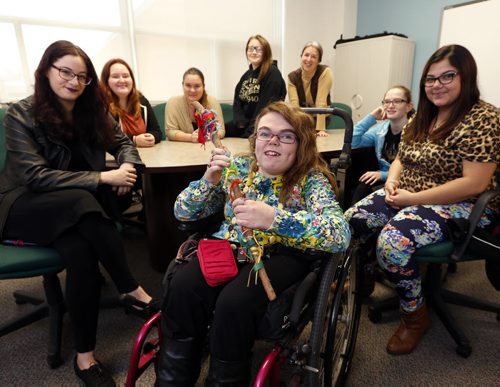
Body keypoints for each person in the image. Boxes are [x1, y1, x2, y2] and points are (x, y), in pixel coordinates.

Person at [157, 101, 351, 385]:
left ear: (301, 144)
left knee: (233, 303)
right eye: (265, 133)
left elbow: (339, 233)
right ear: (254, 139)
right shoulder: (238, 167)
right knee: (183, 287)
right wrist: (208, 180)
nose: (273, 141)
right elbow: (183, 212)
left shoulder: (311, 181)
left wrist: (275, 218)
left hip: (280, 255)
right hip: (226, 249)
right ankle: (172, 380)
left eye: (286, 135)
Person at [0, 40, 157, 386]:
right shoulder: (20, 113)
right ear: (46, 72)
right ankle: (130, 288)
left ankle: (85, 358)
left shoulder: (92, 111)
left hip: (72, 210)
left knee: (81, 254)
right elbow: (34, 176)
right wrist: (103, 177)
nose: (73, 81)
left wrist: (127, 169)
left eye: (82, 76)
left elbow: (124, 143)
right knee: (81, 200)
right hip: (22, 204)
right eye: (65, 72)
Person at [345, 44, 499, 356]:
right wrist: (393, 182)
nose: (436, 85)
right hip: (408, 194)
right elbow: (401, 157)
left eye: (447, 76)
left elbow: (475, 182)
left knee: (392, 242)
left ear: (466, 76)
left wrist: (413, 198)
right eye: (430, 79)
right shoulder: (422, 116)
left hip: (464, 205)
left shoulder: (484, 118)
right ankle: (361, 279)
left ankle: (414, 315)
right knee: (350, 221)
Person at [350, 85, 414, 204]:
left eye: (397, 101)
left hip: (406, 182)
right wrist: (371, 117)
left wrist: (383, 175)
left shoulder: (416, 131)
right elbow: (353, 141)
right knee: (361, 186)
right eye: (387, 102)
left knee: (364, 191)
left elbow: (413, 168)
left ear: (408, 107)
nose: (390, 106)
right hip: (385, 180)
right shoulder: (381, 130)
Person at [224, 34, 287, 138]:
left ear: (266, 52)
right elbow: (237, 101)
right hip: (245, 125)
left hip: (263, 125)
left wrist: (250, 132)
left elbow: (265, 107)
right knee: (219, 130)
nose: (253, 52)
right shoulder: (246, 75)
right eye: (250, 49)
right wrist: (239, 121)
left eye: (258, 49)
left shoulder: (272, 73)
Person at [100, 58, 162, 147]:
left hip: (146, 155)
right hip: (115, 158)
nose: (122, 80)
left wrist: (152, 137)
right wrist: (134, 140)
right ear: (106, 81)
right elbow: (105, 137)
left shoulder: (141, 100)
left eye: (125, 76)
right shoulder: (102, 104)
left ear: (132, 79)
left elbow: (157, 131)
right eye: (115, 76)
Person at [166, 67, 225, 142]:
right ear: (182, 85)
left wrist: (207, 135)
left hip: (207, 148)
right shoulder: (173, 102)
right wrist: (190, 137)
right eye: (188, 85)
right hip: (178, 149)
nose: (192, 90)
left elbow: (221, 130)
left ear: (203, 86)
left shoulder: (212, 101)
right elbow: (170, 132)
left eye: (197, 86)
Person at [288, 41, 333, 137]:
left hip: (320, 117)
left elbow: (321, 102)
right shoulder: (292, 77)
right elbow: (294, 105)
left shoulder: (325, 72)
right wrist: (296, 127)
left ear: (318, 61)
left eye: (313, 57)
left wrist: (320, 129)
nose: (308, 59)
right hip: (302, 117)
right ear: (301, 56)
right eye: (306, 55)